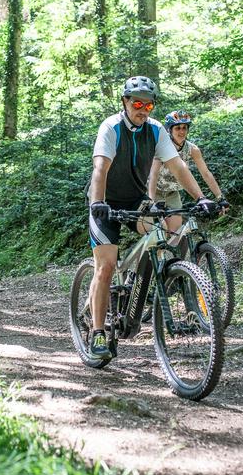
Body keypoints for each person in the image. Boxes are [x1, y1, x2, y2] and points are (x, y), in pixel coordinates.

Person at [87, 76, 218, 360]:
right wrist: (98, 203)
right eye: (137, 102)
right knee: (106, 266)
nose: (143, 108)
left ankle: (136, 285)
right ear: (124, 102)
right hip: (105, 203)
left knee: (160, 235)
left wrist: (201, 198)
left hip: (137, 201)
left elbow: (179, 167)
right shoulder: (111, 127)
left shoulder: (156, 130)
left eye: (148, 104)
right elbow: (100, 169)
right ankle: (97, 332)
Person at [148, 110, 230, 234]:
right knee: (160, 231)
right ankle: (157, 253)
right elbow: (153, 175)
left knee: (174, 231)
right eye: (178, 128)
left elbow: (206, 174)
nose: (182, 132)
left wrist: (220, 198)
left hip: (172, 193)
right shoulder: (162, 147)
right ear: (170, 130)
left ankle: (167, 253)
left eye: (184, 128)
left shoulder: (192, 149)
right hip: (155, 191)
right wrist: (150, 202)